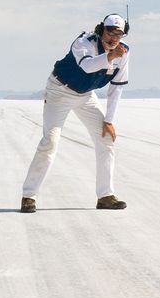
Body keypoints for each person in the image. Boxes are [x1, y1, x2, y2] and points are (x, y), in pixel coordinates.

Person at [20, 14, 131, 213]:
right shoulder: (84, 42)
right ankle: (29, 196)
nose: (114, 38)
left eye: (119, 34)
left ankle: (105, 196)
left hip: (86, 95)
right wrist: (109, 57)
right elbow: (87, 66)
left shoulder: (124, 52)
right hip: (60, 91)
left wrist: (109, 120)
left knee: (105, 139)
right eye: (110, 32)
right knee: (50, 142)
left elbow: (117, 87)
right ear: (101, 30)